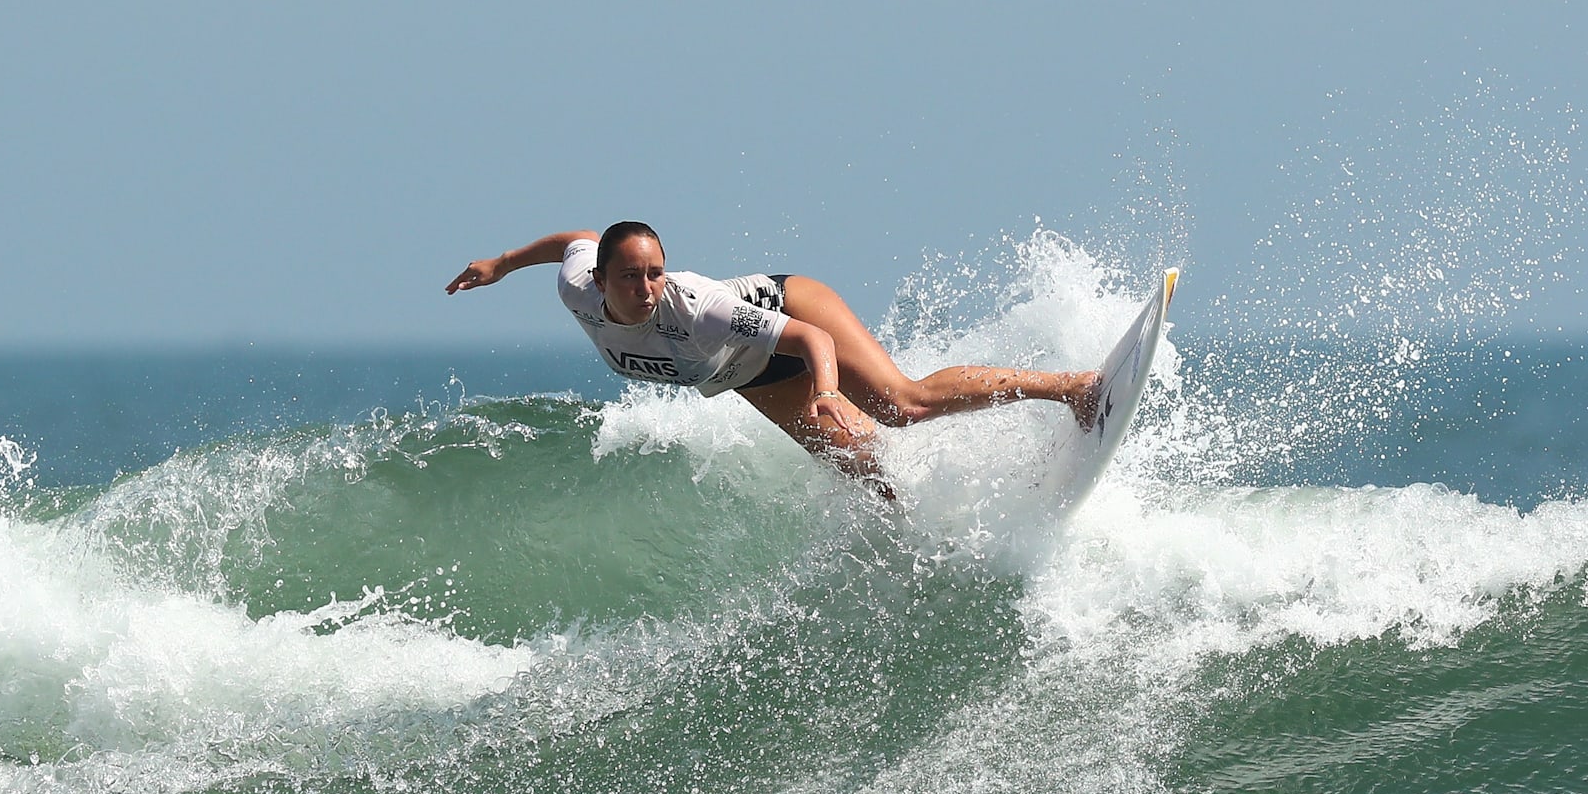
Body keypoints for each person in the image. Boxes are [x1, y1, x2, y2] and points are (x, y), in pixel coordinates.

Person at [446, 222, 1100, 486]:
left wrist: (825, 390)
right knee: (866, 474)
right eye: (630, 277)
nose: (646, 288)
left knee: (902, 405)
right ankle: (954, 527)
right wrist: (503, 263)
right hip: (743, 372)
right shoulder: (577, 289)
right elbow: (579, 238)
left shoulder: (697, 305)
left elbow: (811, 341)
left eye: (655, 273)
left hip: (790, 315)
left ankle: (1070, 387)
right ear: (600, 282)